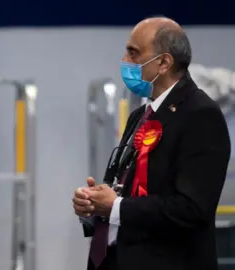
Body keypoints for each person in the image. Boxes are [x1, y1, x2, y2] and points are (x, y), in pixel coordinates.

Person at [72, 17, 231, 270]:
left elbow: (191, 209)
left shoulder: (200, 115)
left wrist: (116, 206)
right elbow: (129, 191)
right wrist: (96, 205)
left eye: (133, 53)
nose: (125, 61)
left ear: (164, 63)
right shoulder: (141, 115)